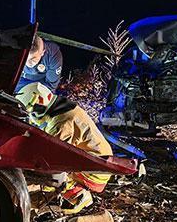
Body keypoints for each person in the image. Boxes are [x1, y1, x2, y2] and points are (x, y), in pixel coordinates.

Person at [16, 82, 112, 214]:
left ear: (39, 103)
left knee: (50, 175)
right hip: (100, 160)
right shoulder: (65, 108)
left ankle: (78, 195)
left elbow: (51, 162)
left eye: (31, 113)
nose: (31, 119)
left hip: (93, 173)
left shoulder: (60, 124)